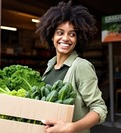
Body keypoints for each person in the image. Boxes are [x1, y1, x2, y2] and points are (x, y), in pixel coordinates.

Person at [36, 1, 108, 133]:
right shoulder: (50, 67)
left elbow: (99, 108)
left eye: (72, 34)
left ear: (77, 39)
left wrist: (71, 127)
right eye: (60, 32)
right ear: (52, 36)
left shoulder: (81, 66)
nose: (66, 38)